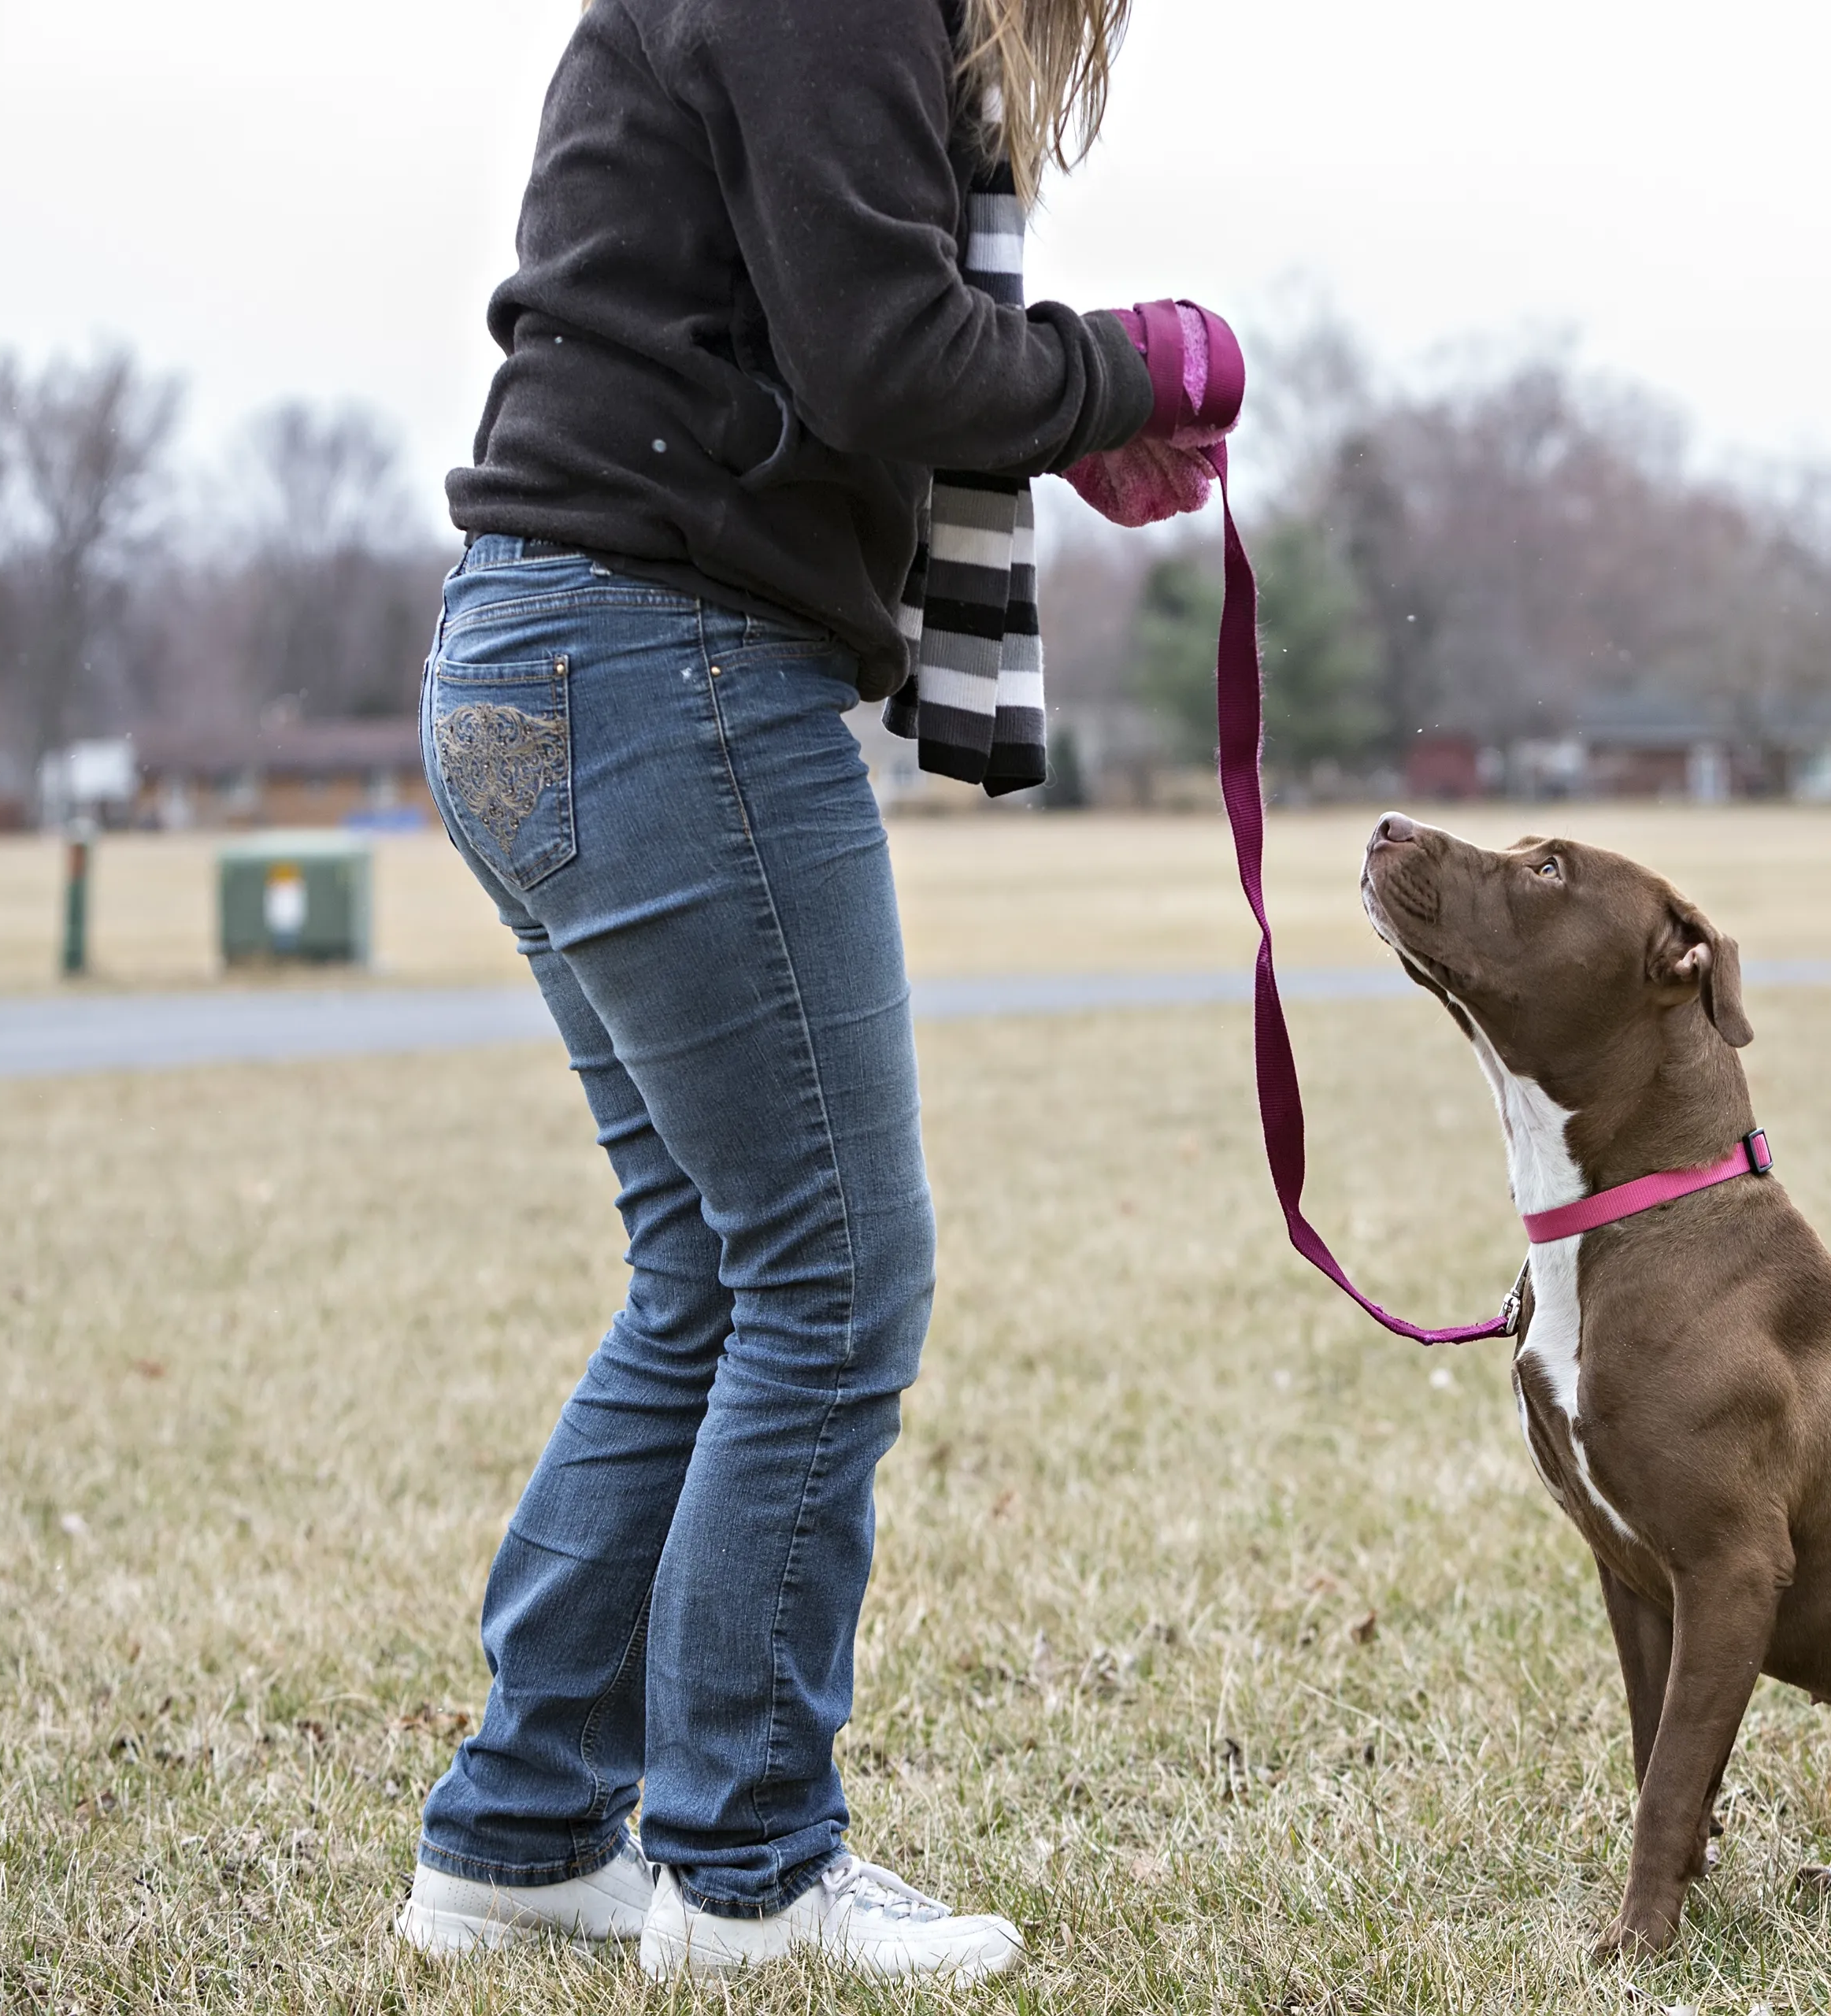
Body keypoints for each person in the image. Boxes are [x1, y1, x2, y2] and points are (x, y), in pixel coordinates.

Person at [393, 0, 1210, 1981]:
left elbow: (832, 322)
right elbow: (886, 353)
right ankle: (748, 1863)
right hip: (658, 659)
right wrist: (1137, 365)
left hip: (527, 658)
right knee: (834, 1277)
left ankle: (519, 1831)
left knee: (714, 1271)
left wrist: (1063, 399)